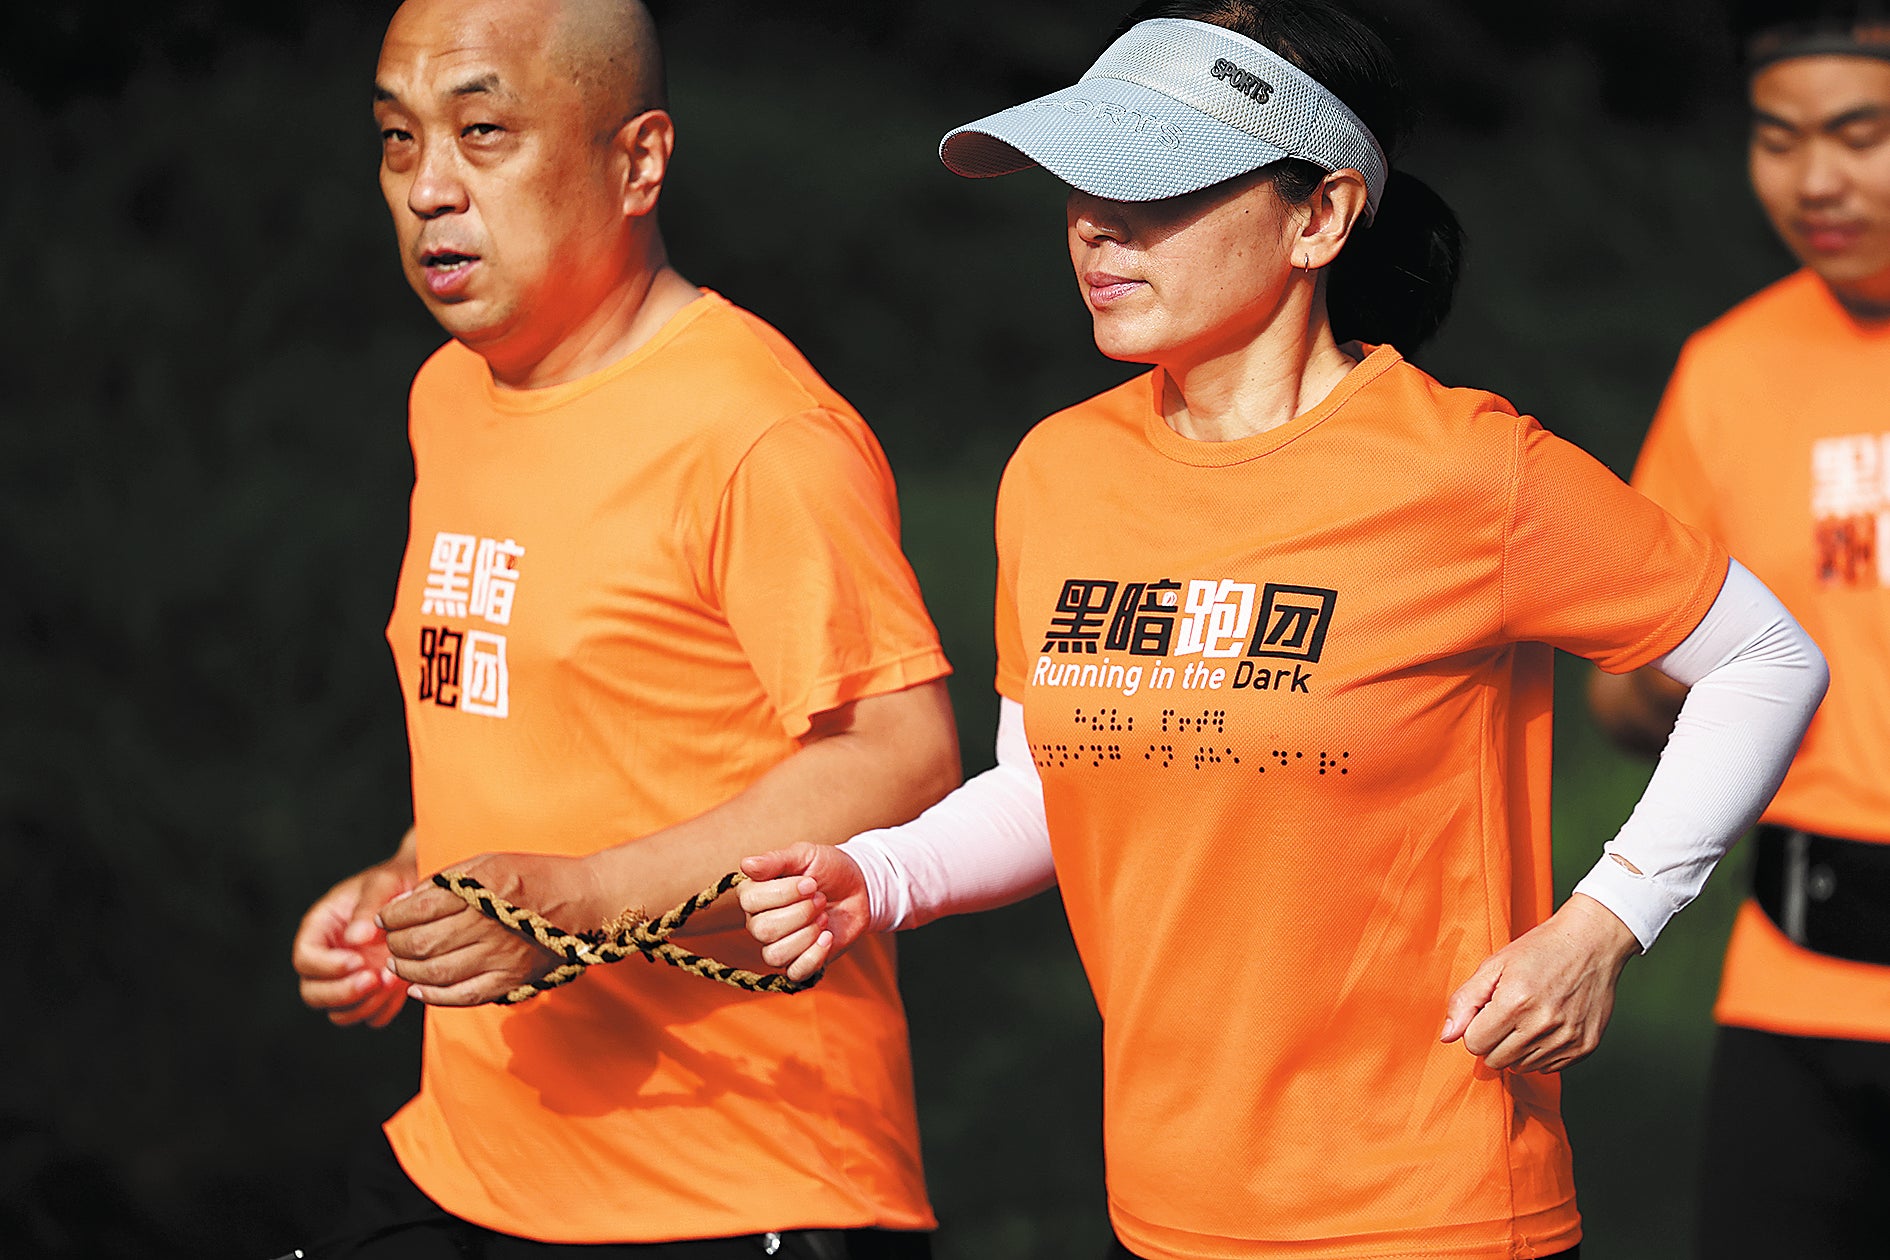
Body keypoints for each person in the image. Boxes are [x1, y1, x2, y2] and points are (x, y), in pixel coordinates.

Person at [736, 2, 1832, 1258]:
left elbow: (1764, 656)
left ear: (1320, 216)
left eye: (1157, 185)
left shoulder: (1467, 470)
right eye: (1085, 181)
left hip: (1431, 1209)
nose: (1099, 223)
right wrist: (874, 878)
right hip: (1163, 1208)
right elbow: (1055, 784)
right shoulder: (1056, 471)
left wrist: (1608, 921)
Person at [285, 0, 961, 1254]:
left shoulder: (757, 431)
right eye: (397, 139)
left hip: (737, 1183)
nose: (430, 187)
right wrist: (408, 886)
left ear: (637, 160)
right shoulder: (451, 400)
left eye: (484, 132)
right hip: (470, 1161)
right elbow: (549, 723)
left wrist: (580, 898)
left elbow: (903, 752)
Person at [1584, 3, 1890, 1255]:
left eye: (1863, 135)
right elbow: (1619, 694)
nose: (1816, 180)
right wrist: (1685, 678)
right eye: (1777, 138)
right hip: (1795, 987)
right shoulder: (1728, 367)